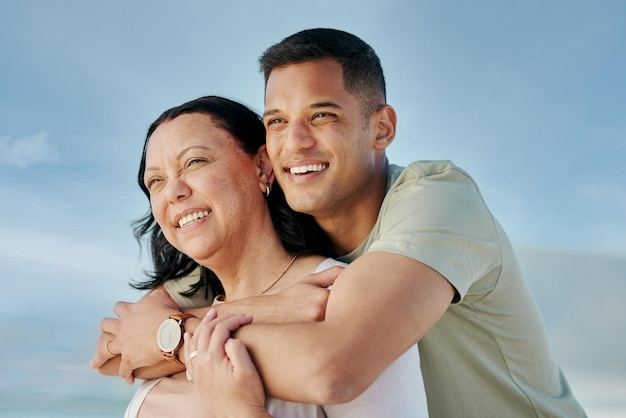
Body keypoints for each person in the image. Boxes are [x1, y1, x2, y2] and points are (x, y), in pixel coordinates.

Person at [92, 29, 586, 417]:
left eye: (323, 115)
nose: (295, 142)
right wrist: (271, 308)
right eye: (277, 122)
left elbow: (334, 366)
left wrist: (177, 338)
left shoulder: (436, 199)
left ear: (382, 127)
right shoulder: (282, 231)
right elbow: (119, 347)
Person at [109, 95, 427, 417]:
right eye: (156, 181)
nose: (173, 191)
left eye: (195, 162)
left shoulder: (344, 301)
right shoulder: (170, 320)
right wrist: (266, 310)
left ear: (262, 167)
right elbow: (110, 351)